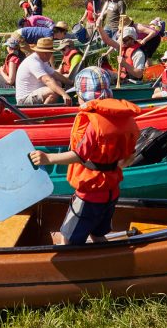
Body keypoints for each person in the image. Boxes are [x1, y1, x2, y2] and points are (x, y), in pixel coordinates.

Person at [29, 67, 139, 245]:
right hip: (112, 191)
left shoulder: (93, 125)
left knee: (69, 239)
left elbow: (79, 155)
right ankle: (108, 259)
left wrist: (48, 158)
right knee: (97, 234)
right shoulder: (126, 119)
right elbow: (129, 157)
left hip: (90, 194)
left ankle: (77, 268)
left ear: (84, 97)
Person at [15, 38, 73, 105]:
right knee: (54, 91)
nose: (52, 55)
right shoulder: (33, 62)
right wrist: (64, 94)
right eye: (51, 52)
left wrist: (71, 82)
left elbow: (55, 74)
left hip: (34, 94)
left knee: (58, 83)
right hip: (24, 100)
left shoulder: (41, 60)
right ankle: (44, 113)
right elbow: (47, 80)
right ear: (45, 53)